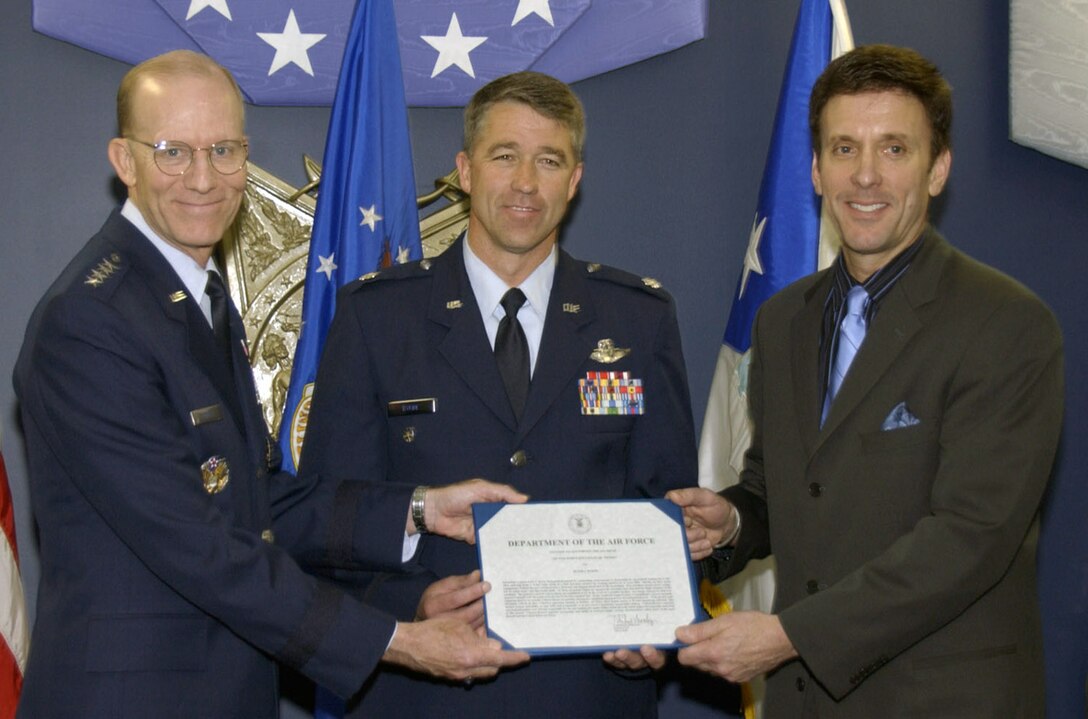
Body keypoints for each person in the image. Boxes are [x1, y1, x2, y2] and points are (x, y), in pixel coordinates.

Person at [12, 50, 529, 718]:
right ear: (124, 160)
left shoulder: (190, 294)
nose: (203, 178)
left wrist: (421, 507)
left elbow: (256, 505)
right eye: (173, 151)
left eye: (224, 150)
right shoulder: (90, 321)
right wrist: (395, 639)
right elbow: (199, 545)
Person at [623, 44, 1064, 716]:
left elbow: (971, 536)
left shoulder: (1007, 324)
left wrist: (787, 635)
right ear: (816, 171)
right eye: (843, 148)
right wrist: (736, 518)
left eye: (893, 149)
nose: (866, 176)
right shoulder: (783, 320)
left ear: (938, 168)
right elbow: (786, 484)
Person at [298, 71, 698, 718]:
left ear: (575, 180)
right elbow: (326, 522)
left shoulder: (638, 321)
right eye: (504, 156)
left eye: (549, 160)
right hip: (423, 693)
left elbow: (670, 508)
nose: (524, 183)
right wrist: (411, 607)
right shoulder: (378, 318)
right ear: (464, 170)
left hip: (589, 694)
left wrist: (658, 617)